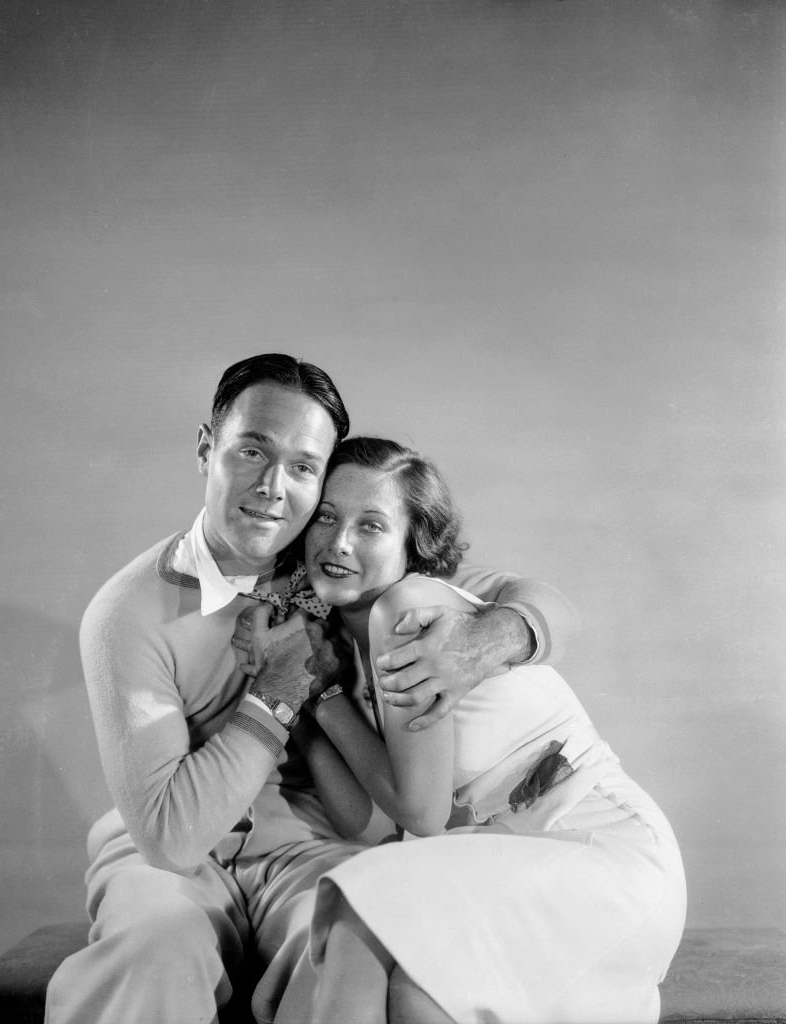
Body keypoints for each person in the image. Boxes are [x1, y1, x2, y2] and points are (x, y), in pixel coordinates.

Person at [44, 354, 580, 1024]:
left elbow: (534, 601)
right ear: (207, 448)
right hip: (169, 858)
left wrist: (487, 639)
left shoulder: (336, 561)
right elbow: (169, 839)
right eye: (251, 451)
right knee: (153, 951)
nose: (273, 487)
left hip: (312, 844)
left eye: (302, 467)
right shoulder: (125, 614)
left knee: (357, 950)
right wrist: (279, 693)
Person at [241, 436, 685, 1024]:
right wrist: (309, 693)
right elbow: (366, 823)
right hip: (504, 868)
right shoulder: (342, 651)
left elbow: (420, 815)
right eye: (326, 515)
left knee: (363, 907)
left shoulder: (409, 607)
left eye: (371, 526)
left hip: (599, 857)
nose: (339, 542)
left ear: (412, 544)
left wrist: (319, 686)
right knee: (414, 992)